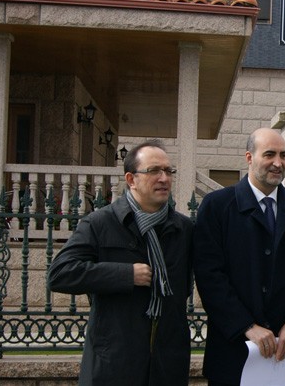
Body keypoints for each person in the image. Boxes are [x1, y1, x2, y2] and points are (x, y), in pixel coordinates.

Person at [48, 140, 193, 386]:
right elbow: (60, 273)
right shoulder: (100, 223)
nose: (164, 178)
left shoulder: (184, 228)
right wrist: (125, 275)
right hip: (113, 364)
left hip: (167, 364)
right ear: (131, 179)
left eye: (169, 171)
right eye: (154, 171)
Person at [193, 128, 285, 385]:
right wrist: (246, 326)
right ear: (249, 157)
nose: (278, 163)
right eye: (270, 154)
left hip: (283, 355)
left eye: (284, 155)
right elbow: (209, 275)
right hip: (231, 352)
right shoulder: (217, 207)